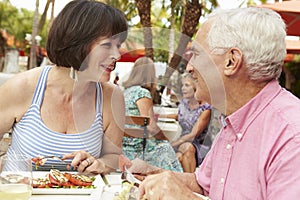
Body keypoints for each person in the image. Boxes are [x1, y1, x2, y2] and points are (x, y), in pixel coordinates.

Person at [122, 7, 300, 200]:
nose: (189, 67)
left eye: (196, 55)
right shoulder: (234, 119)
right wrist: (152, 174)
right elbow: (204, 184)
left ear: (231, 61)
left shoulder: (292, 136)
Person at [0, 0, 128, 174]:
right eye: (106, 45)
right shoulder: (22, 87)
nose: (117, 55)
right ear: (76, 42)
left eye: (118, 46)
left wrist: (101, 164)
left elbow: (112, 155)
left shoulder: (112, 97)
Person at [122, 56, 183, 172]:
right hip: (139, 150)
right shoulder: (142, 93)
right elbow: (152, 127)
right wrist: (166, 140)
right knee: (165, 147)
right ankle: (176, 182)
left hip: (123, 149)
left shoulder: (124, 92)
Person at [167, 73, 212, 172]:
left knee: (186, 148)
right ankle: (186, 182)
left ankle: (189, 180)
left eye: (187, 85)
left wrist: (173, 144)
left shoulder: (205, 108)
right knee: (179, 156)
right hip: (182, 142)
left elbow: (193, 135)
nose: (183, 88)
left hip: (199, 145)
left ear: (196, 87)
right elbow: (179, 117)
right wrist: (157, 116)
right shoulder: (184, 103)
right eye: (182, 85)